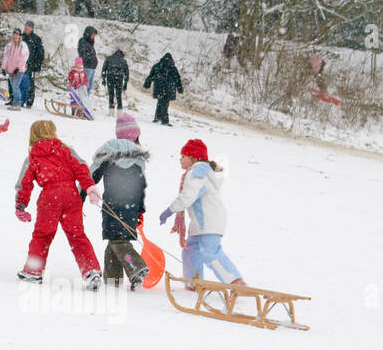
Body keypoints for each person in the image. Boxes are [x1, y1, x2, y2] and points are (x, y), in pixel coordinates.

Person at [13, 120, 103, 288]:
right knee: (77, 235)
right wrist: (89, 187)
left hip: (49, 198)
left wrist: (20, 204)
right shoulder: (66, 150)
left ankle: (33, 271)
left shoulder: (33, 156)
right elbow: (81, 168)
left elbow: (24, 182)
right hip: (71, 196)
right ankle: (91, 271)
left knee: (42, 235)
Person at [160, 139, 245, 287]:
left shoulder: (197, 172)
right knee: (190, 251)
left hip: (209, 220)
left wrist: (170, 210)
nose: (180, 159)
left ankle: (235, 281)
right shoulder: (198, 171)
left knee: (210, 252)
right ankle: (193, 281)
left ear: (193, 158)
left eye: (183, 156)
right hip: (201, 222)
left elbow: (188, 196)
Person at [89, 113, 150, 289]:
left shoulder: (108, 153)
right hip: (130, 206)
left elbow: (91, 177)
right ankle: (112, 280)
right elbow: (141, 186)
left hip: (113, 204)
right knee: (115, 240)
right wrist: (140, 210)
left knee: (117, 240)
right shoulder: (138, 158)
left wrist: (80, 195)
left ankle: (136, 267)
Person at [144, 52, 183, 126]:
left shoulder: (157, 66)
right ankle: (164, 120)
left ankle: (157, 117)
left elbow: (151, 76)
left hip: (159, 88)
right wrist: (180, 88)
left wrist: (147, 84)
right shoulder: (173, 68)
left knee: (160, 102)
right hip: (169, 89)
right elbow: (177, 79)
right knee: (165, 104)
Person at [0, 28, 29, 111]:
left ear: (19, 36)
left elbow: (24, 58)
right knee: (13, 86)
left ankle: (17, 104)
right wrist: (3, 68)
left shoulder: (23, 45)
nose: (15, 36)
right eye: (14, 34)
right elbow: (5, 57)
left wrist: (18, 68)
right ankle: (14, 102)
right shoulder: (9, 45)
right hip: (10, 69)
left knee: (16, 86)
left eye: (17, 35)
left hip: (18, 70)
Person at [21, 21, 44, 108]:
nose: (27, 28)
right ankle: (20, 99)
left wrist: (37, 65)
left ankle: (29, 102)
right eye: (26, 26)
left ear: (32, 28)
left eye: (29, 26)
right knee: (20, 83)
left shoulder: (36, 39)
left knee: (30, 84)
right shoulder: (21, 37)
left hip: (31, 65)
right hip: (21, 64)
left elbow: (40, 53)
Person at [101, 48, 129, 114]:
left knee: (111, 94)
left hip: (110, 77)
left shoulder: (109, 59)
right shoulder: (123, 61)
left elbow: (104, 70)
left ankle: (111, 110)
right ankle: (119, 111)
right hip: (119, 79)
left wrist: (103, 79)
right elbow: (127, 74)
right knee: (118, 95)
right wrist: (125, 84)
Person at [77, 26, 99, 93]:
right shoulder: (83, 41)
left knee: (89, 88)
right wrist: (90, 59)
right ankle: (82, 101)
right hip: (87, 67)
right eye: (92, 35)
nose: (93, 37)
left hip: (92, 68)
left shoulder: (89, 43)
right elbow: (83, 55)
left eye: (94, 35)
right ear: (88, 34)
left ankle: (86, 102)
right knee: (84, 87)